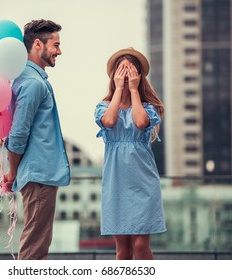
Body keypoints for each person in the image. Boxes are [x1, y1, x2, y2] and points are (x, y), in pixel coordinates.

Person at [3, 19, 70, 260]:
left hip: (39, 174)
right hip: (39, 175)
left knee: (37, 245)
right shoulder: (32, 83)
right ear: (38, 44)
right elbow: (18, 134)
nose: (60, 51)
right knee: (34, 249)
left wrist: (14, 171)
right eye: (56, 44)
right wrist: (12, 173)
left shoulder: (29, 80)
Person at [94, 47, 167, 260]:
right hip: (116, 183)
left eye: (131, 71)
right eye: (121, 71)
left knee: (141, 246)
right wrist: (118, 89)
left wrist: (134, 90)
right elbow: (108, 121)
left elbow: (140, 122)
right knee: (122, 251)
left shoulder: (148, 108)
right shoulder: (103, 107)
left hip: (143, 182)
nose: (126, 76)